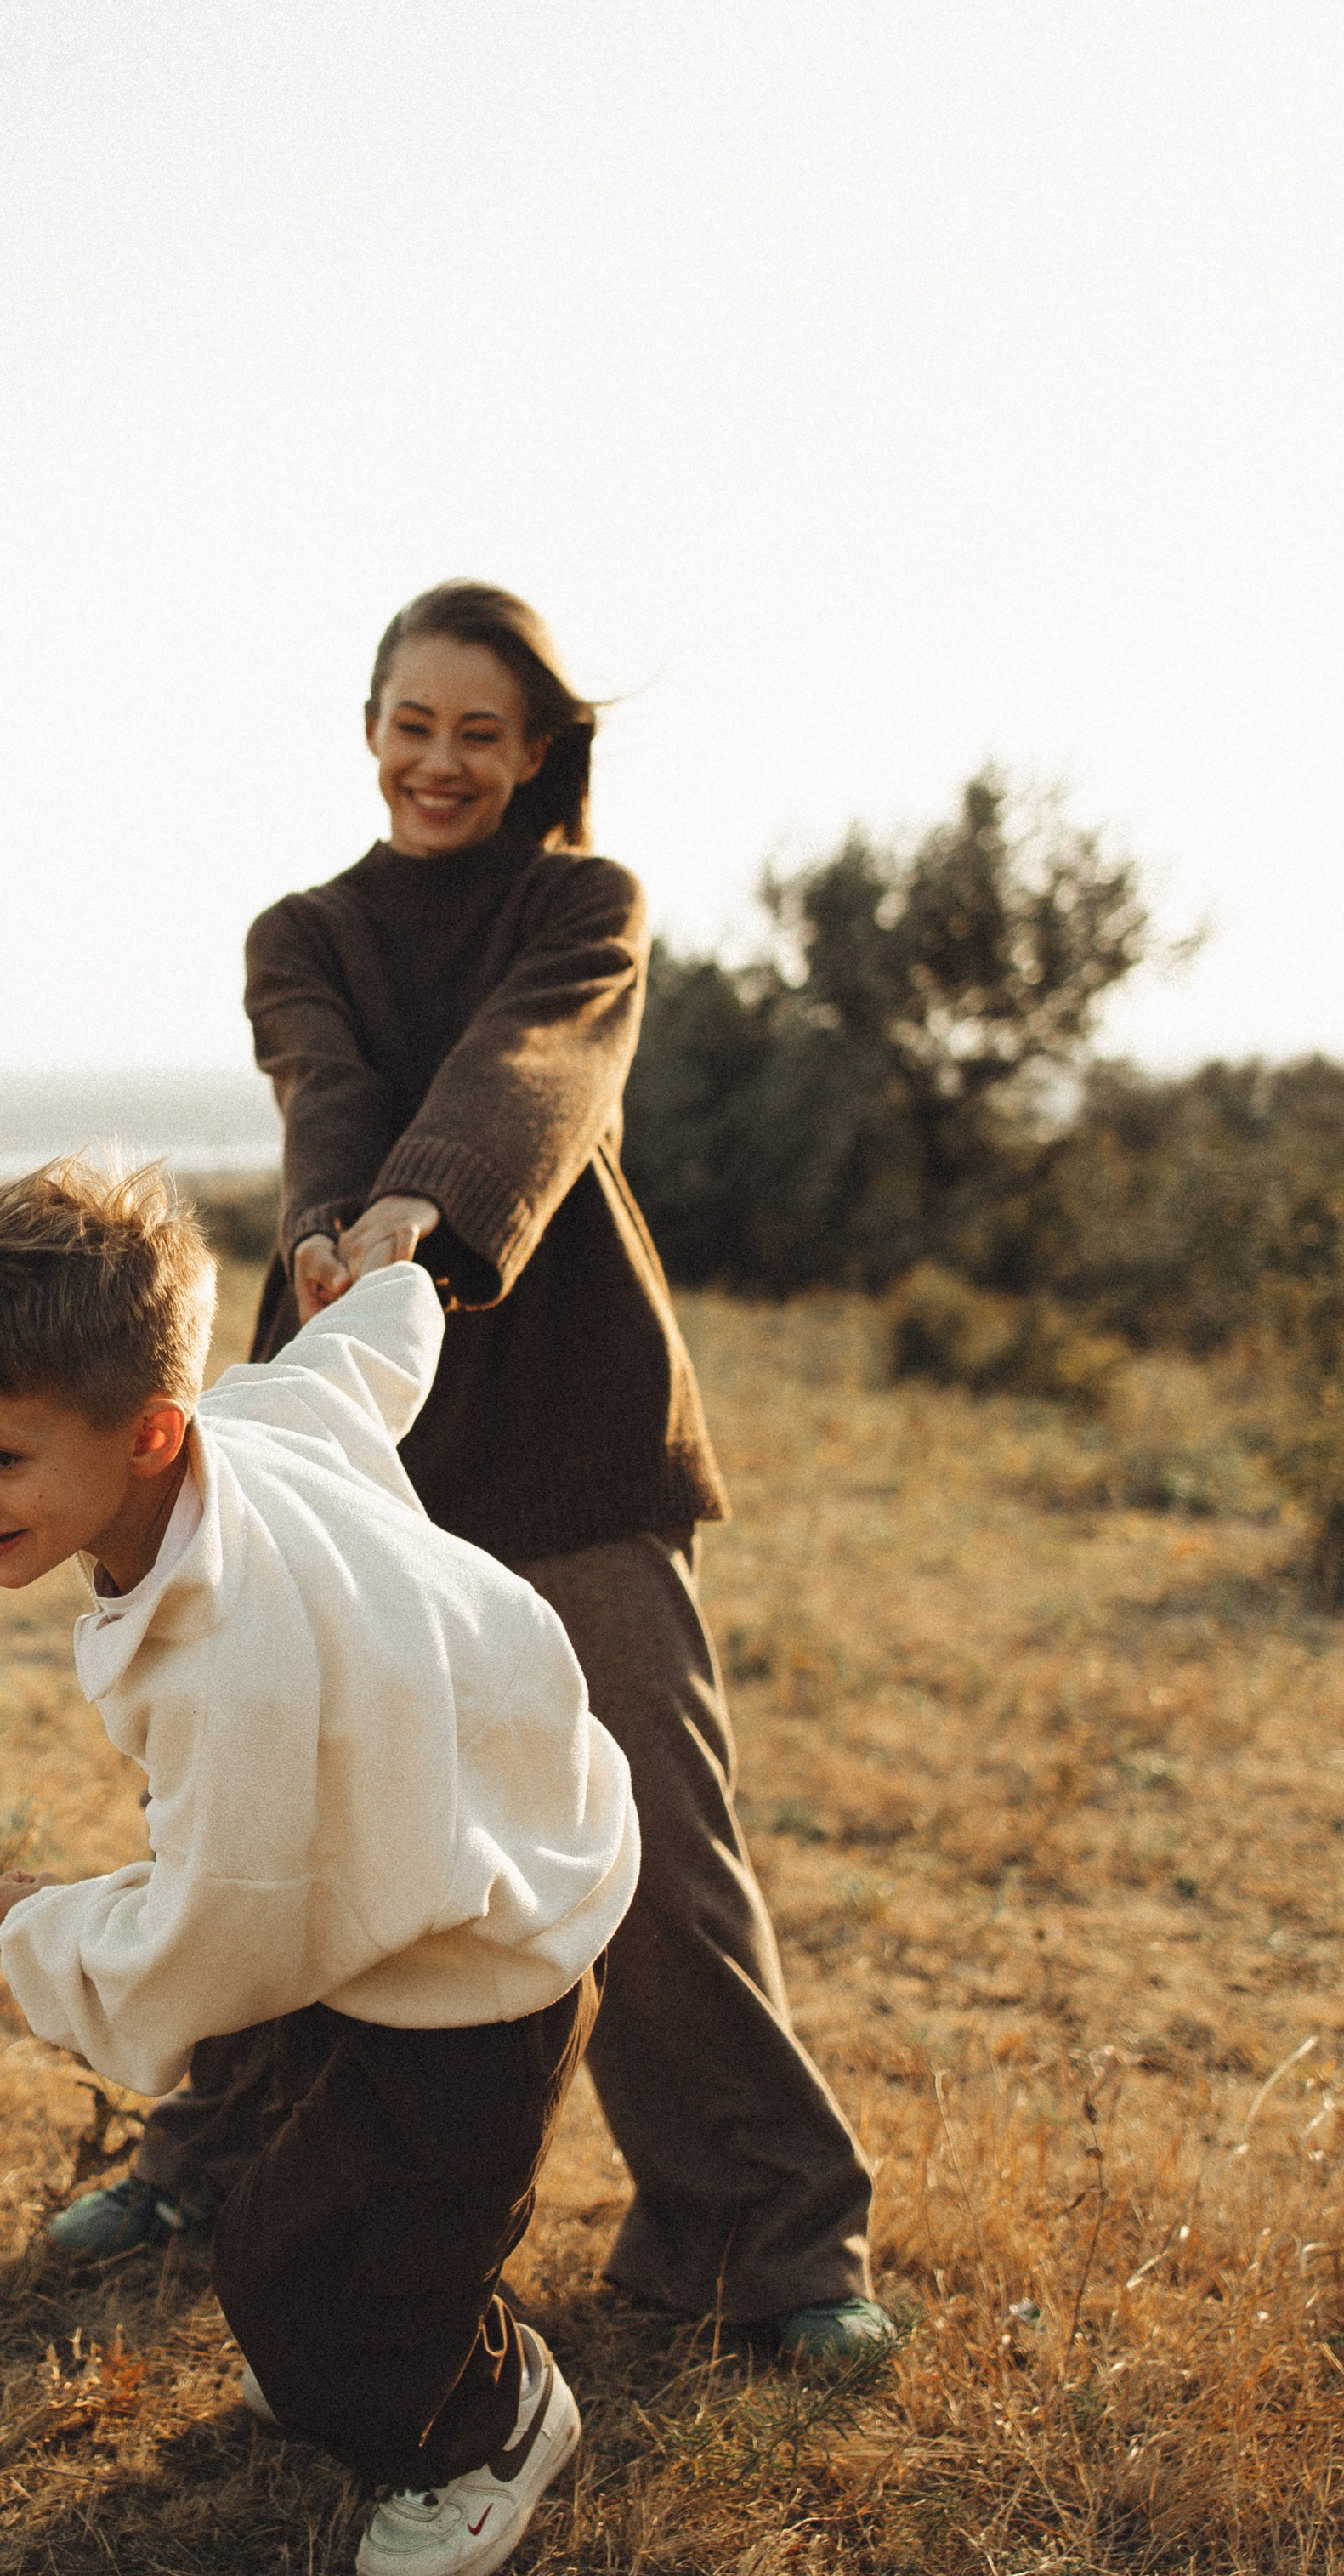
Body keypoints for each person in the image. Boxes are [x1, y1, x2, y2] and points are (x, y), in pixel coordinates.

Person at [50, 580, 890, 2363]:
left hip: (572, 1414)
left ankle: (770, 2240)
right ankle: (216, 2160)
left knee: (657, 1834)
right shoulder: (301, 931)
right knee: (272, 1795)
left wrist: (426, 1215)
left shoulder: (584, 905)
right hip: (343, 1412)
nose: (439, 762)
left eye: (479, 734)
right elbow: (322, 1085)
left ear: (532, 752)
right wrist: (340, 1230)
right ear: (369, 729)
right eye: (412, 725)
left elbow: (536, 1064)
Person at [0, 1158, 640, 2576]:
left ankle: (486, 2424)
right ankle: (349, 2356)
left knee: (311, 2266)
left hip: (481, 1953)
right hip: (434, 1860)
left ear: (149, 1433)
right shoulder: (250, 1421)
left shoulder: (232, 1670)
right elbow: (357, 1366)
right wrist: (385, 1279)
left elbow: (223, 1929)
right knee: (319, 2190)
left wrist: (45, 1927)